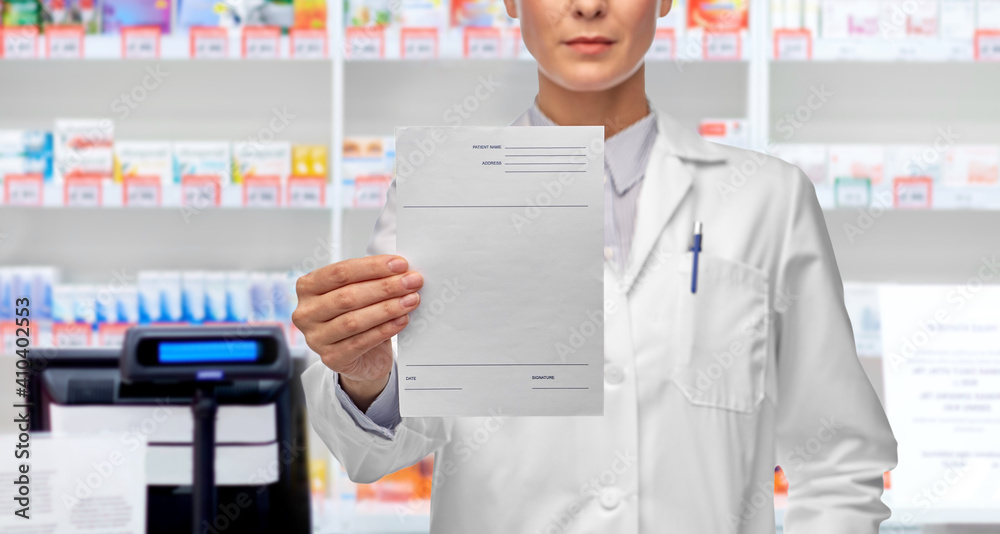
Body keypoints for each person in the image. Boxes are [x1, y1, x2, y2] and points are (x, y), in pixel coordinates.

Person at [294, 0, 898, 532]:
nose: (587, 5)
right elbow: (373, 454)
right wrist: (365, 375)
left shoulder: (765, 198)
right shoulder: (446, 198)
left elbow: (839, 457)